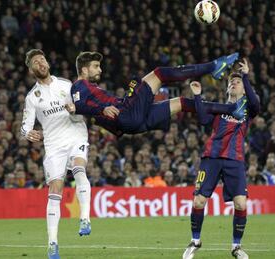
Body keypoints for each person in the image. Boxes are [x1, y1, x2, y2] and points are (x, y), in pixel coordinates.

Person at [183, 58, 260, 259]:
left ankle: (236, 247)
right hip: (212, 158)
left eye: (237, 82)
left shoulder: (248, 109)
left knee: (241, 205)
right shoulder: (219, 109)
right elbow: (202, 119)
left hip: (234, 160)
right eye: (230, 82)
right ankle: (195, 241)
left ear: (244, 89)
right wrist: (198, 96)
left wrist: (245, 76)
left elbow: (256, 103)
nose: (233, 83)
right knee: (198, 201)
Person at [21, 49, 92, 259]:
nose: (40, 63)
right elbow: (24, 127)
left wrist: (75, 109)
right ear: (31, 69)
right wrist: (29, 133)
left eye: (42, 59)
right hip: (53, 145)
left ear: (47, 63)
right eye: (35, 62)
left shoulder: (66, 84)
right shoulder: (32, 97)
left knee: (79, 168)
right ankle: (52, 244)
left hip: (76, 134)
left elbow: (82, 107)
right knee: (55, 189)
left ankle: (85, 218)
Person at [66, 51, 240, 136]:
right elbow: (77, 106)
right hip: (127, 113)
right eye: (96, 66)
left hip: (130, 122)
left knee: (180, 102)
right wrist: (102, 111)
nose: (100, 69)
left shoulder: (93, 90)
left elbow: (93, 114)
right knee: (159, 73)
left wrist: (116, 128)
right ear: (84, 69)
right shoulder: (79, 85)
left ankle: (231, 109)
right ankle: (214, 66)